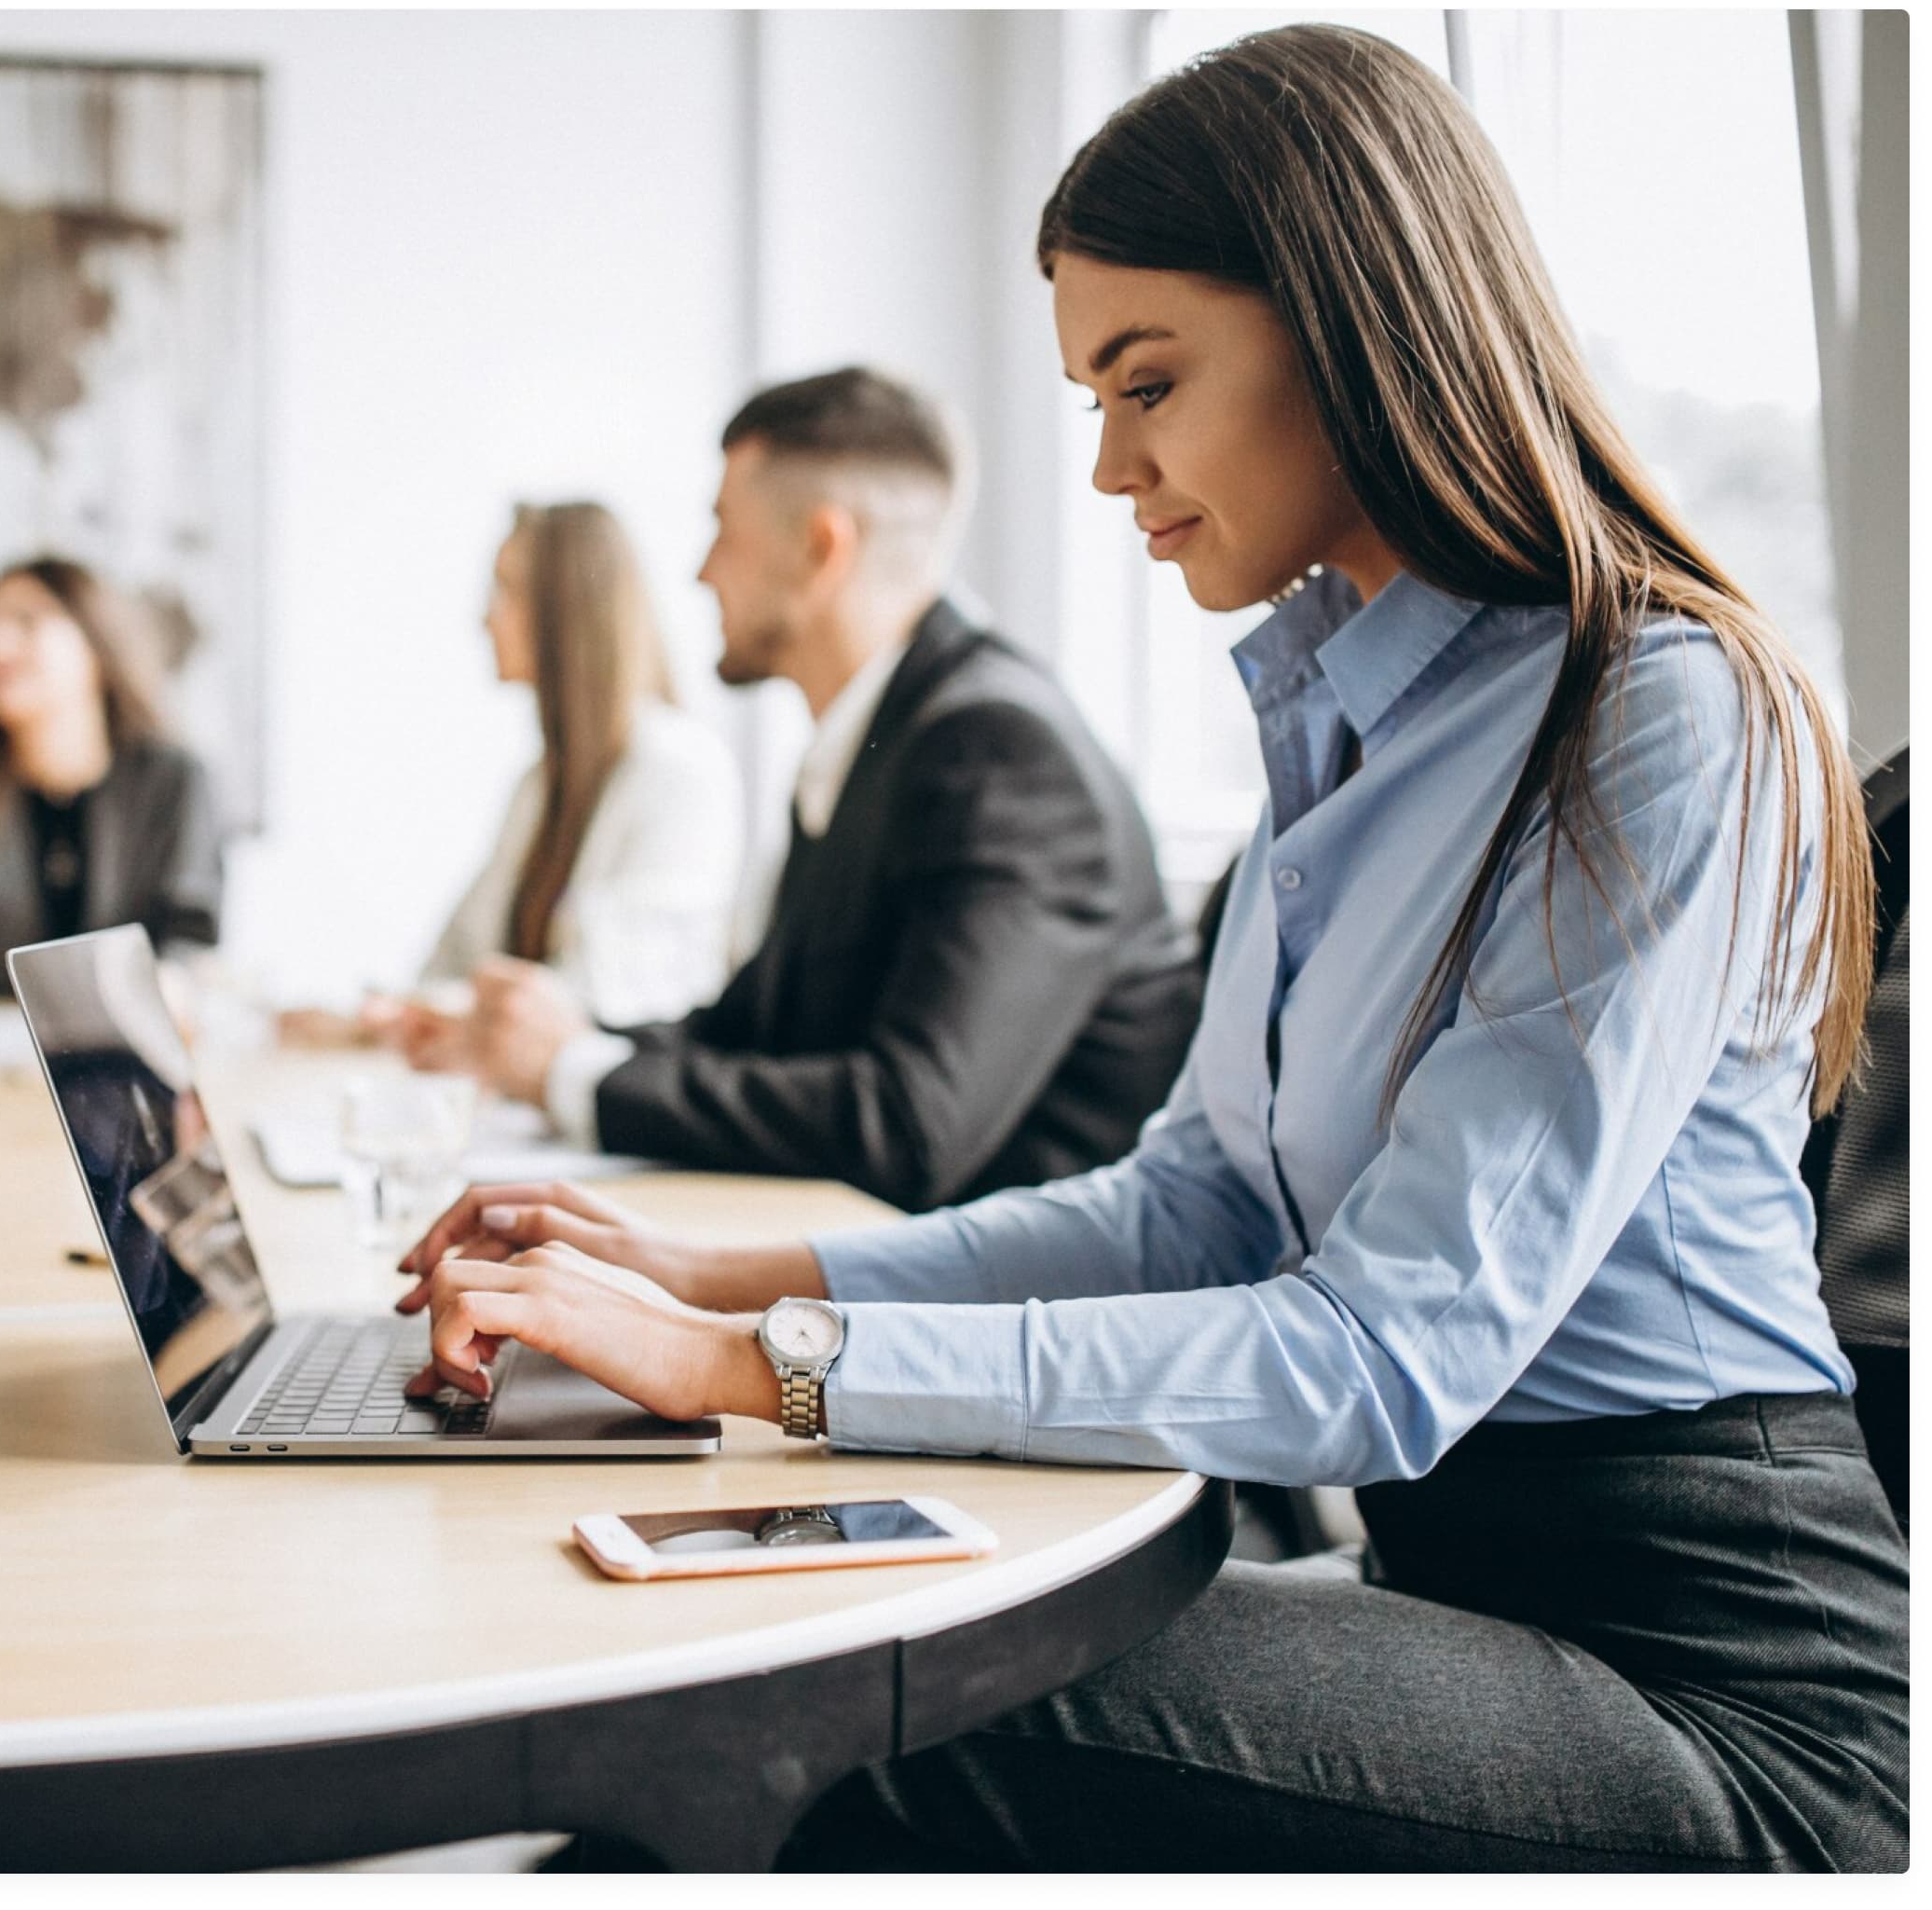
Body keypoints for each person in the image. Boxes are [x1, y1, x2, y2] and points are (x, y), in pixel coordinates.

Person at [394, 26, 1904, 1873]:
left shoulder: (1660, 714)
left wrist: (752, 1362)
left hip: (1713, 1683)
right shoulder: (1331, 719)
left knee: (811, 1706)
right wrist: (706, 1277)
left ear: (1355, 324)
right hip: (1457, 1578)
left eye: (1149, 381)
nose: (1110, 464)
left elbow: (1379, 1352)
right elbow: (1180, 1206)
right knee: (765, 1667)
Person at [422, 368, 1198, 1213]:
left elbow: (910, 1124)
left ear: (821, 549)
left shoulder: (1003, 754)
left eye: (724, 530)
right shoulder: (875, 740)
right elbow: (753, 1030)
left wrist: (573, 1073)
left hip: (1027, 1304)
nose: (700, 572)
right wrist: (559, 1041)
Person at [307, 501, 741, 1044]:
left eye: (506, 590)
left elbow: (608, 995)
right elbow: (456, 960)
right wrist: (374, 1017)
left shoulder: (680, 770)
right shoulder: (539, 785)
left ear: (567, 611)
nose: (484, 617)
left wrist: (417, 1013)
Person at [0, 557, 224, 998]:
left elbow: (189, 936)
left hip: (115, 1053)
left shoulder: (172, 782)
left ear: (95, 644)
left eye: (26, 622)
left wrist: (172, 984)